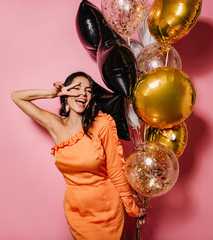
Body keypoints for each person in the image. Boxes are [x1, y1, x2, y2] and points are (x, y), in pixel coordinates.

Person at [11, 72, 144, 240]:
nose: (83, 93)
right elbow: (17, 97)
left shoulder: (102, 124)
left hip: (107, 210)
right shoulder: (56, 126)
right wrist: (51, 93)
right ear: (66, 95)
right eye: (76, 88)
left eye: (88, 90)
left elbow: (116, 170)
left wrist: (132, 208)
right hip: (78, 213)